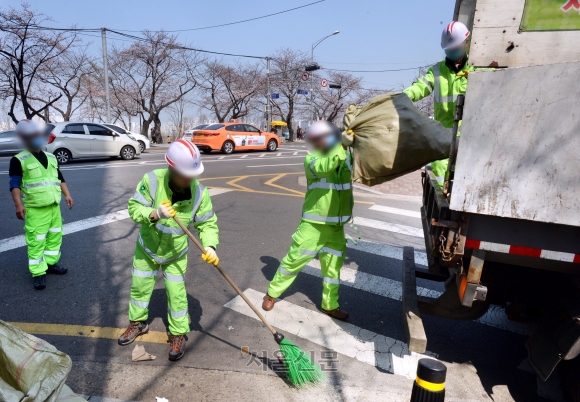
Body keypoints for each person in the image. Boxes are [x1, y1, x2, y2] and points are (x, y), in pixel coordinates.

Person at [118, 139, 219, 361]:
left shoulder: (200, 193)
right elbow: (134, 208)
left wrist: (210, 246)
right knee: (140, 288)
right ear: (172, 168)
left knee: (177, 294)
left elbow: (207, 224)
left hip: (176, 254)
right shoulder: (152, 180)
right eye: (184, 174)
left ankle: (178, 333)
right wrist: (155, 213)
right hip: (148, 248)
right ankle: (137, 323)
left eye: (192, 174)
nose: (189, 179)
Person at [262, 121, 352, 320]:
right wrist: (342, 146)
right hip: (314, 224)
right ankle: (272, 293)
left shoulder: (345, 156)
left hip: (336, 226)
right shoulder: (312, 159)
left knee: (332, 268)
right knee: (293, 261)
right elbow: (325, 167)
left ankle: (330, 305)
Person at [403, 21, 474, 186]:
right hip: (444, 138)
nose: (452, 52)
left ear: (466, 42)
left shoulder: (477, 69)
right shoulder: (437, 71)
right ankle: (445, 208)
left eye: (455, 47)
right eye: (448, 49)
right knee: (440, 175)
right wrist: (403, 97)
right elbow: (420, 87)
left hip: (470, 139)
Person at [9, 120, 74, 290]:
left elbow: (60, 178)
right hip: (35, 210)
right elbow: (14, 184)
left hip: (54, 207)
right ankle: (38, 273)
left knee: (54, 238)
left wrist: (67, 195)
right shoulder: (18, 160)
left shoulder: (52, 157)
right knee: (36, 242)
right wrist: (18, 205)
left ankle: (50, 264)